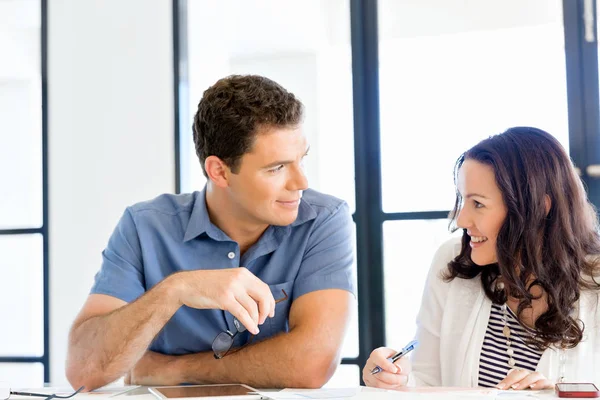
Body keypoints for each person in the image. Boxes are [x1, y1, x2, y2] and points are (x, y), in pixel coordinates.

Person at [66, 75, 356, 391]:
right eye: (276, 168)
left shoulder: (323, 220)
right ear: (218, 171)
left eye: (302, 160)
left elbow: (312, 364)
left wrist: (174, 370)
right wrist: (175, 289)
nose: (301, 182)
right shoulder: (145, 226)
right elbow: (83, 370)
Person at [364, 127, 600, 390]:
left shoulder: (596, 284)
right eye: (463, 200)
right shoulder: (453, 261)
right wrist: (396, 379)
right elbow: (427, 383)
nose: (461, 219)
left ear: (538, 208)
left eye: (478, 204)